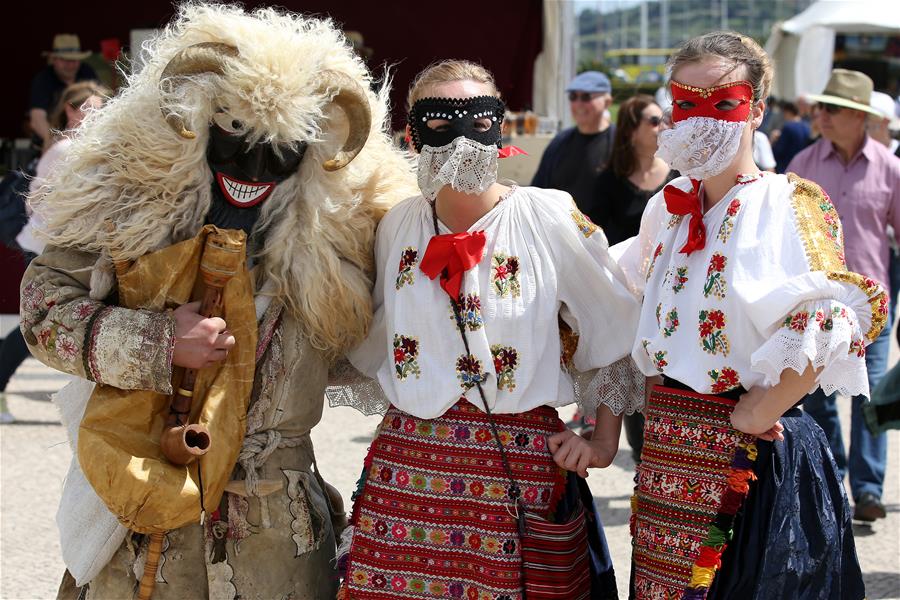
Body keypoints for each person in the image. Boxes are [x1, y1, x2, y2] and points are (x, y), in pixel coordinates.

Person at [20, 5, 416, 598]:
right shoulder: (126, 206)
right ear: (197, 119)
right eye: (233, 130)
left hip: (274, 537)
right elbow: (42, 309)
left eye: (284, 146)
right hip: (142, 513)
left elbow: (397, 337)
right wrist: (156, 343)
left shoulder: (347, 240)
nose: (255, 166)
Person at [336, 59, 642, 599]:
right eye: (439, 123)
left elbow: (613, 323)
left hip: (518, 469)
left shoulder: (548, 216)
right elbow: (373, 334)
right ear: (413, 134)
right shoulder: (397, 225)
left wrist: (602, 440)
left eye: (478, 122)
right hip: (408, 472)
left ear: (499, 126)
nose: (462, 140)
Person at [617, 32, 881, 599]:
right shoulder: (666, 206)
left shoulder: (789, 201)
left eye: (722, 102)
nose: (700, 119)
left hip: (754, 453)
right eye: (685, 103)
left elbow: (831, 315)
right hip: (671, 454)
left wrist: (760, 407)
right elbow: (622, 294)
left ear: (756, 110)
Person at [787, 68, 900, 523]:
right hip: (818, 305)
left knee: (868, 396)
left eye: (833, 108)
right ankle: (832, 482)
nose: (822, 115)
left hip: (873, 308)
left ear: (859, 116)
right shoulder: (801, 165)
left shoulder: (890, 168)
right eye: (821, 107)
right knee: (817, 397)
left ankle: (868, 491)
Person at [0, 82, 110, 426]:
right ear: (70, 111)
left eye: (102, 111)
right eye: (91, 110)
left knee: (46, 322)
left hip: (61, 246)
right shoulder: (67, 150)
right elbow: (38, 201)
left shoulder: (78, 148)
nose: (98, 117)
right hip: (49, 248)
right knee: (42, 323)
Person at [531, 71, 615, 213]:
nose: (578, 104)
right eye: (573, 97)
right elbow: (538, 192)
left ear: (607, 102)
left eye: (586, 97)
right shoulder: (559, 143)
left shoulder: (620, 143)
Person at [28, 34, 98, 149]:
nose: (70, 65)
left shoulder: (87, 73)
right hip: (49, 149)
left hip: (85, 147)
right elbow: (37, 119)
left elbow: (100, 106)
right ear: (54, 60)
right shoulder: (43, 80)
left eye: (74, 60)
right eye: (65, 60)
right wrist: (56, 143)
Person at [771, 100, 811, 173]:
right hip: (802, 168)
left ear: (788, 112)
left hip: (786, 168)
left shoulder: (788, 127)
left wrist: (773, 141)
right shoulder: (807, 126)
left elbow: (778, 151)